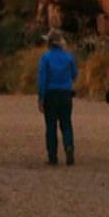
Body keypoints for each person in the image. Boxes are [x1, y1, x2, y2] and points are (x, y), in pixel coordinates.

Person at [37, 29, 78, 165]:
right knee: (66, 123)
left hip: (51, 94)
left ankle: (53, 155)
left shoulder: (45, 58)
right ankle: (69, 146)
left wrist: (41, 98)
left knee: (51, 125)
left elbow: (42, 79)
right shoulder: (69, 57)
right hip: (66, 94)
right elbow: (74, 74)